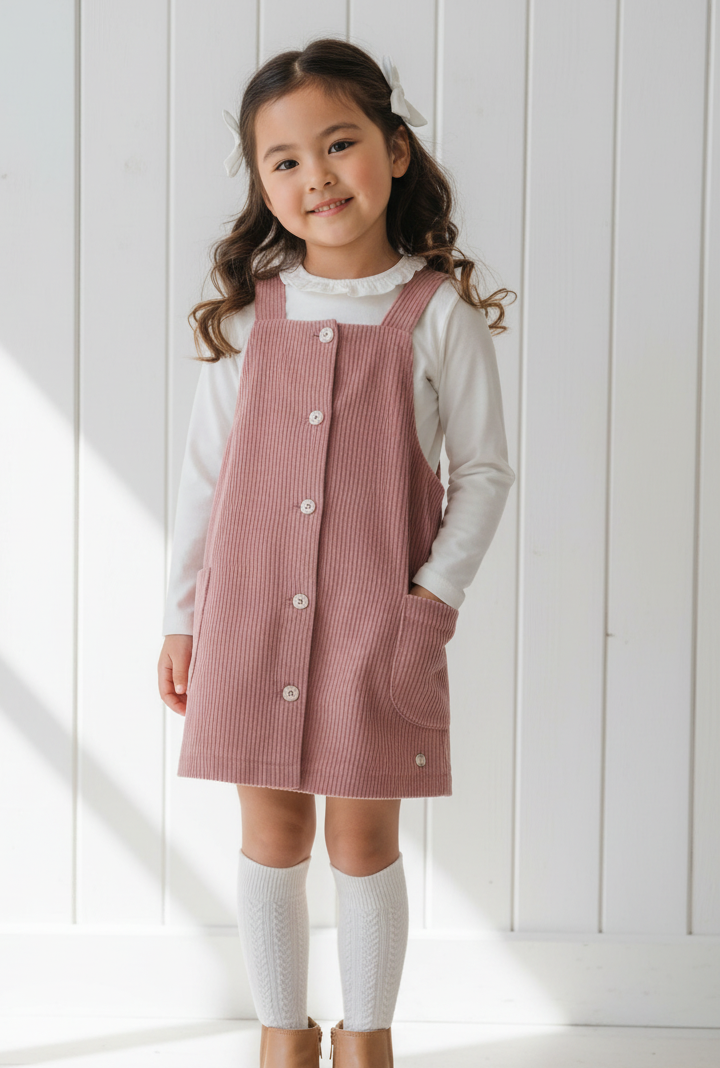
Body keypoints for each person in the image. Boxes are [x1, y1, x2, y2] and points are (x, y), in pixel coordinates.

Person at [157, 37, 516, 1068]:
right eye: (284, 161)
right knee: (270, 841)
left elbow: (483, 474)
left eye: (340, 144)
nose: (315, 177)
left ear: (394, 151)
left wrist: (428, 602)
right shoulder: (248, 321)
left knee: (364, 847)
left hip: (377, 623)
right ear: (262, 183)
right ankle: (282, 1035)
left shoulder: (435, 313)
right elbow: (202, 482)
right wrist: (182, 616)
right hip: (247, 618)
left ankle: (366, 1041)